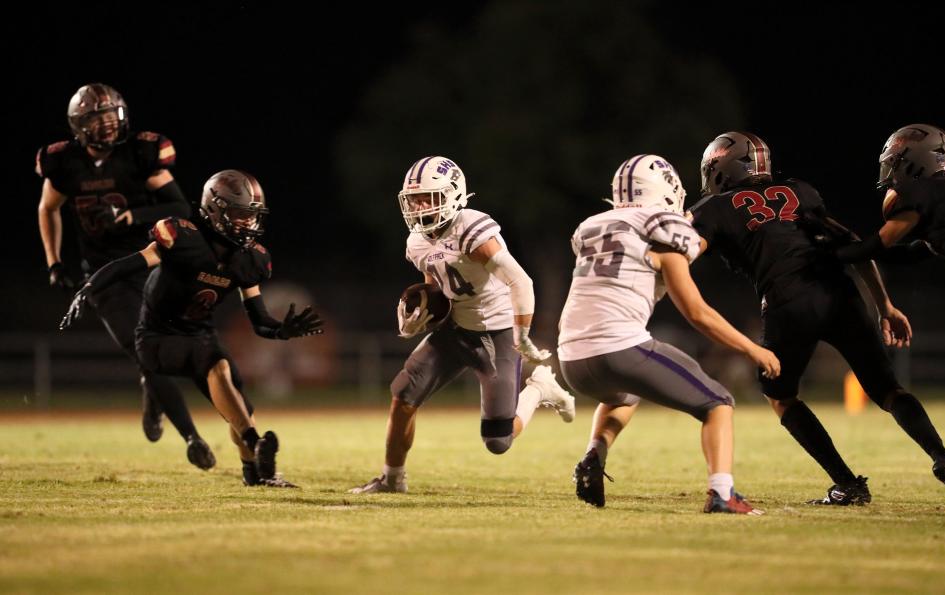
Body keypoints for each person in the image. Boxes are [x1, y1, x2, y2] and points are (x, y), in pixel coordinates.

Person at [692, 131, 945, 504]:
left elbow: (685, 250)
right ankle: (943, 457)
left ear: (719, 170)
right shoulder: (800, 191)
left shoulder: (713, 208)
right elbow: (850, 242)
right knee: (889, 390)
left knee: (780, 396)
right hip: (841, 292)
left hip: (788, 300)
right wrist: (884, 305)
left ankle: (848, 483)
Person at [61, 170, 322, 487]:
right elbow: (128, 264)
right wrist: (90, 287)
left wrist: (282, 331)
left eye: (251, 215)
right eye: (239, 214)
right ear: (215, 210)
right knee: (218, 365)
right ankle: (254, 443)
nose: (247, 223)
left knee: (240, 405)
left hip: (199, 334)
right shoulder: (183, 237)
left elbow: (260, 322)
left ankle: (253, 473)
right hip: (157, 336)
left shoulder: (250, 260)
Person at [559, 154, 777, 514]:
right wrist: (752, 349)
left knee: (624, 395)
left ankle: (593, 456)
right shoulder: (660, 227)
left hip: (571, 357)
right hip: (619, 346)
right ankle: (722, 494)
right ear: (666, 191)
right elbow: (697, 312)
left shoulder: (593, 227)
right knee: (718, 403)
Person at [349, 156, 576, 494]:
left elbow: (520, 282)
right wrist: (419, 319)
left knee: (498, 442)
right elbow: (435, 289)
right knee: (403, 396)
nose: (419, 205)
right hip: (455, 331)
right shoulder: (417, 241)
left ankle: (540, 388)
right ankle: (392, 479)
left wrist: (522, 335)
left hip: (496, 335)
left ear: (453, 194)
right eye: (414, 198)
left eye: (428, 197)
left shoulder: (471, 229)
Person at [36, 83, 212, 469]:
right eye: (97, 119)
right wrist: (54, 261)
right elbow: (48, 208)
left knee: (166, 351)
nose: (108, 126)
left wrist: (132, 215)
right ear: (78, 126)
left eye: (111, 115)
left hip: (150, 264)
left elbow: (180, 206)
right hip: (105, 275)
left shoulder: (139, 154)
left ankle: (153, 390)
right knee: (145, 352)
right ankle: (192, 436)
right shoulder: (64, 163)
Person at [835, 124, 945, 416]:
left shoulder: (921, 191)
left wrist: (829, 253)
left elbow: (878, 245)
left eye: (896, 162)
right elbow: (909, 254)